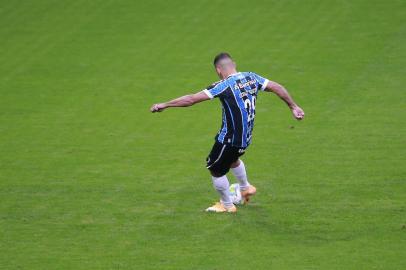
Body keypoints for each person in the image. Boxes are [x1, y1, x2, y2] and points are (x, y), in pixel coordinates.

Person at [150, 52, 304, 213]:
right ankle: (245, 188)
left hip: (229, 139)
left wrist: (165, 104)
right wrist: (293, 107)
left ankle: (227, 205)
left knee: (214, 167)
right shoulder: (252, 77)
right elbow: (277, 87)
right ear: (234, 64)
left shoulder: (223, 85)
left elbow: (191, 99)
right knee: (232, 159)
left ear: (218, 69)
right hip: (246, 137)